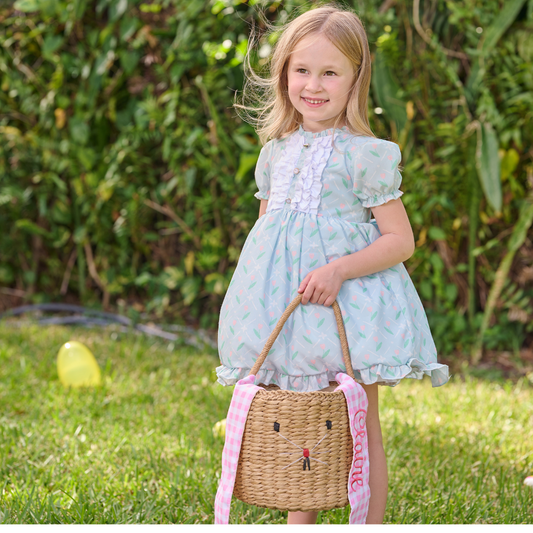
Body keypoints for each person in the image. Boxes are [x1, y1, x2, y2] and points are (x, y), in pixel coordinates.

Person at [216, 3, 449, 525]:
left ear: (354, 79)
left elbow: (400, 240)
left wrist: (339, 269)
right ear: (284, 75)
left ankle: (366, 521)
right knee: (303, 422)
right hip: (289, 308)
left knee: (356, 422)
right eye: (302, 70)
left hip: (346, 307)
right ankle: (303, 521)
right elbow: (267, 236)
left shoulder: (365, 154)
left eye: (329, 72)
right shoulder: (274, 150)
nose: (313, 85)